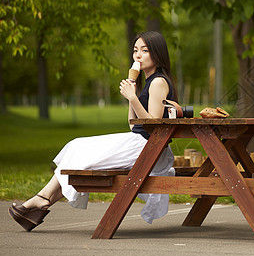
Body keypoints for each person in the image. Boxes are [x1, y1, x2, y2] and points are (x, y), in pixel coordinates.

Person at [8, 31, 178, 232]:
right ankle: (40, 202)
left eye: (144, 50)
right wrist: (131, 95)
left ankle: (40, 200)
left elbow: (154, 127)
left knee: (79, 148)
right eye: (135, 50)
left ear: (157, 54)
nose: (138, 55)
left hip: (149, 149)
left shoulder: (158, 82)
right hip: (139, 142)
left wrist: (133, 98)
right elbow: (134, 124)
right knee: (77, 147)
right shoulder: (147, 82)